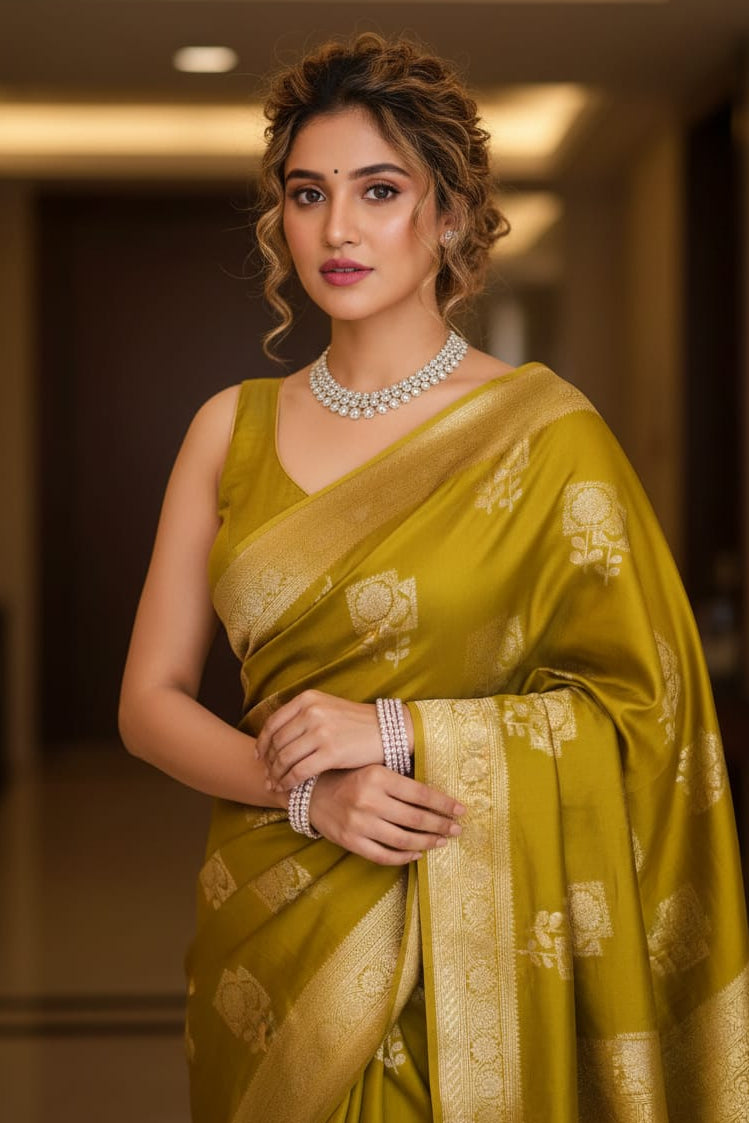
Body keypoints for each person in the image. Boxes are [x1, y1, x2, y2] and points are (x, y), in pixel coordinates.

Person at [118, 31, 749, 1123]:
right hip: (271, 944)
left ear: (448, 214)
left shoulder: (545, 436)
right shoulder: (229, 428)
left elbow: (647, 715)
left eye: (378, 189)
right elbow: (147, 702)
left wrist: (400, 732)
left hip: (479, 936)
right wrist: (310, 794)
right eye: (307, 193)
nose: (337, 228)